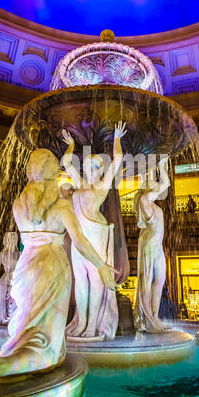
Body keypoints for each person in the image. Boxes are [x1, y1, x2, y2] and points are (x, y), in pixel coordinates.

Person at [0, 149, 117, 397]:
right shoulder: (61, 206)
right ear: (53, 173)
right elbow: (80, 242)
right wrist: (101, 266)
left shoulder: (18, 204)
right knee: (47, 348)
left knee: (27, 325)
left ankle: (12, 355)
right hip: (53, 268)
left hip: (27, 267)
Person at [61, 121, 127, 340]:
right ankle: (81, 323)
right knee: (80, 279)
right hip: (78, 235)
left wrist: (117, 138)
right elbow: (67, 163)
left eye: (95, 166)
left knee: (96, 277)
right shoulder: (79, 184)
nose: (90, 169)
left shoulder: (101, 186)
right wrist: (70, 145)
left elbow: (118, 160)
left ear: (100, 171)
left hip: (95, 234)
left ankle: (92, 326)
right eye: (88, 165)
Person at [133, 157, 171, 333]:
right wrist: (159, 167)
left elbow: (165, 183)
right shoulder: (144, 200)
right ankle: (146, 318)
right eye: (150, 180)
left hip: (157, 246)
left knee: (159, 280)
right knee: (147, 280)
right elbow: (165, 184)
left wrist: (161, 166)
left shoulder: (152, 202)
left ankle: (154, 317)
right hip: (149, 243)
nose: (154, 182)